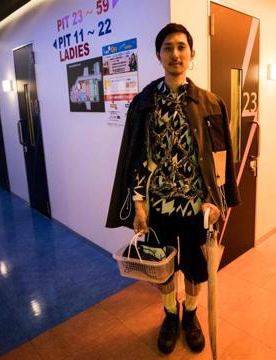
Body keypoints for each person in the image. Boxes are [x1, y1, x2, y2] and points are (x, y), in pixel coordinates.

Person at [106, 23, 240, 354]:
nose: (175, 53)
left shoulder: (210, 103)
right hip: (157, 210)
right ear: (158, 55)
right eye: (168, 47)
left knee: (195, 269)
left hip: (197, 211)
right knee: (162, 268)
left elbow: (220, 160)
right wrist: (138, 204)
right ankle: (170, 315)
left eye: (181, 47)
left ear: (192, 55)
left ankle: (190, 316)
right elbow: (137, 159)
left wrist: (215, 200)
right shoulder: (144, 103)